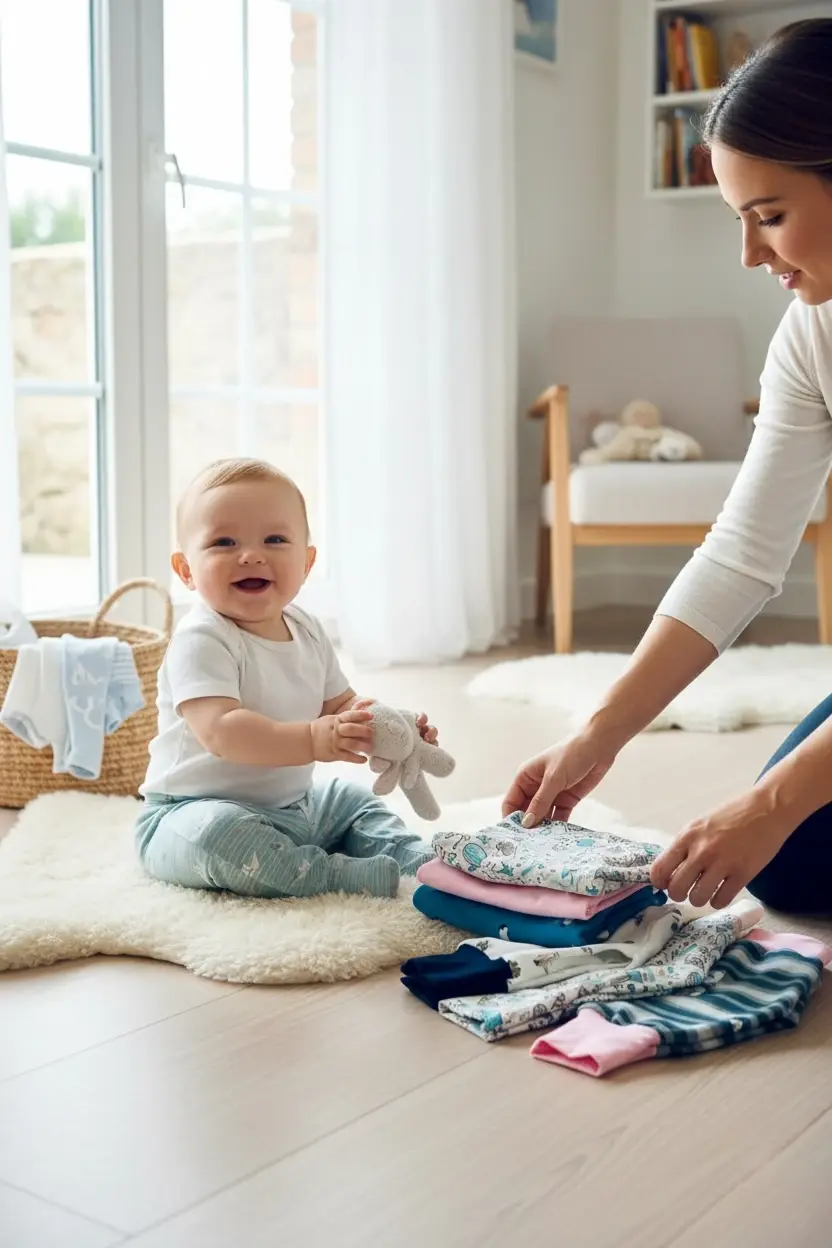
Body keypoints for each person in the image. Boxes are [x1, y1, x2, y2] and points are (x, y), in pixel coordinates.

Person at [504, 19, 832, 916]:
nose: (750, 255)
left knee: (779, 816)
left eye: (769, 216)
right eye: (739, 220)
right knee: (795, 866)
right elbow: (740, 556)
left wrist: (770, 798)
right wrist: (598, 733)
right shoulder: (810, 338)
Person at [136, 457, 436, 900]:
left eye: (275, 539)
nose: (251, 554)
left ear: (307, 562)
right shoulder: (201, 639)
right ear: (186, 571)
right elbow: (223, 732)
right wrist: (314, 740)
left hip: (297, 806)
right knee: (222, 838)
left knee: (353, 802)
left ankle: (414, 857)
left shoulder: (307, 628)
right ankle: (332, 876)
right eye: (224, 541)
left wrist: (388, 727)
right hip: (189, 813)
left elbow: (340, 705)